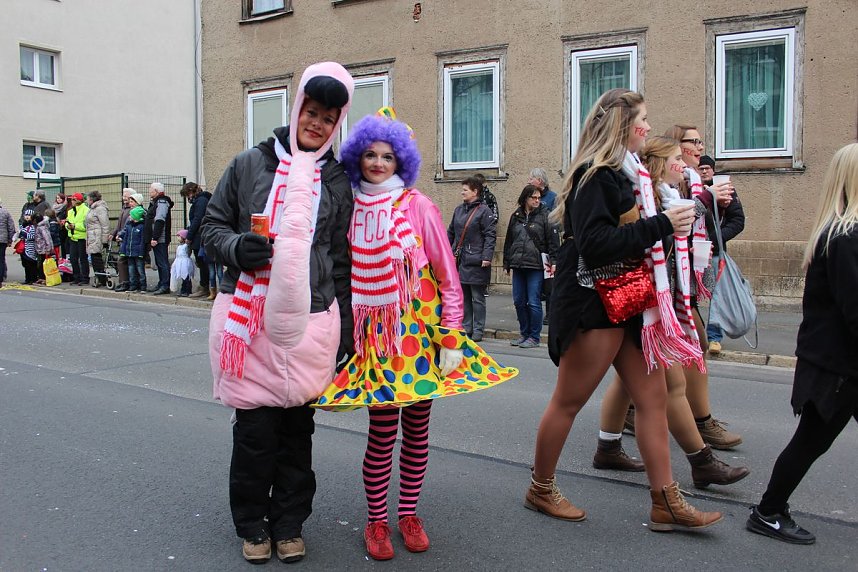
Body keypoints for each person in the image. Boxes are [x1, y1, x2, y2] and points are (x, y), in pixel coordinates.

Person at [313, 109, 517, 562]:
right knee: (382, 433)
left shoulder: (418, 205)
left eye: (387, 155)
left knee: (418, 431)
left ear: (400, 160)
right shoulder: (349, 206)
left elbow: (447, 276)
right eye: (370, 154)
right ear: (358, 157)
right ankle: (376, 522)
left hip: (419, 340)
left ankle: (408, 514)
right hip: (376, 341)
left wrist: (450, 336)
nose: (379, 163)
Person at [528, 89, 721, 531]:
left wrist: (670, 226)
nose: (650, 128)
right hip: (593, 303)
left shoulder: (631, 175)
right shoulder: (596, 176)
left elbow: (639, 241)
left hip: (632, 301)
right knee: (569, 401)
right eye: (643, 120)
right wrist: (661, 226)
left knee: (653, 399)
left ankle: (665, 502)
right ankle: (541, 488)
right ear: (621, 126)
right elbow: (594, 245)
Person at [203, 62, 356, 565]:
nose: (317, 124)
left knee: (297, 436)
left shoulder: (336, 179)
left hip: (312, 322)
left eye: (328, 118)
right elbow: (210, 228)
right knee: (255, 436)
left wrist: (347, 328)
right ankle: (252, 523)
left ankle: (289, 522)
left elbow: (340, 258)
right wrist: (235, 247)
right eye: (311, 112)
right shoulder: (249, 164)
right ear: (296, 109)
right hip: (248, 322)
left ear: (337, 123)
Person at [590, 137, 750, 489]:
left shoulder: (672, 195)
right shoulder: (650, 201)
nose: (686, 162)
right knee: (665, 386)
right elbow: (639, 246)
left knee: (632, 385)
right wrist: (698, 206)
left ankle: (609, 446)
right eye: (679, 155)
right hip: (650, 307)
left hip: (663, 304)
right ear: (660, 164)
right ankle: (697, 463)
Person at [746, 143, 858, 545]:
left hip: (839, 363)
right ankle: (768, 510)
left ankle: (770, 508)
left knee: (811, 443)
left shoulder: (841, 232)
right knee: (810, 443)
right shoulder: (845, 236)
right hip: (836, 368)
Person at [647, 124, 741, 450]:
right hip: (665, 288)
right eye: (692, 142)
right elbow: (671, 224)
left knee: (646, 368)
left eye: (701, 141)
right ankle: (701, 431)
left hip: (684, 279)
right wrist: (705, 198)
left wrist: (718, 201)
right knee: (690, 347)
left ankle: (614, 437)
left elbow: (719, 223)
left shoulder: (691, 180)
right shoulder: (664, 187)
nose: (699, 147)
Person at [697, 155, 746, 355]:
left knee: (717, 294)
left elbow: (737, 220)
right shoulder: (687, 187)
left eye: (707, 168)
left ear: (714, 170)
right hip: (689, 250)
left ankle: (714, 337)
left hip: (714, 252)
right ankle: (691, 332)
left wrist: (716, 238)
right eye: (701, 168)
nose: (704, 172)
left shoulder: (724, 188)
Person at [502, 184, 558, 348]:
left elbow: (553, 242)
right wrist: (507, 262)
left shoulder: (546, 215)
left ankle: (534, 336)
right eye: (533, 197)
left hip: (536, 265)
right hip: (518, 264)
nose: (537, 200)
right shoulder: (516, 216)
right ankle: (524, 333)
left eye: (539, 198)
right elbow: (509, 240)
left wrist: (554, 262)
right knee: (519, 301)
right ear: (525, 198)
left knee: (533, 301)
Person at [448, 176, 496, 342]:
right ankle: (466, 326)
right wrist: (447, 252)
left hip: (477, 260)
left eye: (465, 189)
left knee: (477, 297)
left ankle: (478, 329)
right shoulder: (458, 210)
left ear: (475, 191)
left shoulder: (484, 211)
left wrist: (486, 257)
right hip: (461, 259)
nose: (462, 192)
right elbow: (451, 233)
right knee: (464, 296)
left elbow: (490, 235)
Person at [181, 182, 212, 298]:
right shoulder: (201, 200)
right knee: (202, 262)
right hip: (200, 235)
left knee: (202, 262)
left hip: (200, 236)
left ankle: (205, 287)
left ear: (191, 191)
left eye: (187, 194)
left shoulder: (201, 201)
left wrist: (189, 236)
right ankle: (204, 286)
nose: (188, 197)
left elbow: (197, 219)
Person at [144, 182, 174, 295]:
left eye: (151, 189)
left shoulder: (161, 202)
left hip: (160, 238)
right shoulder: (156, 202)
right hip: (157, 238)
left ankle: (165, 285)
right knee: (159, 262)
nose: (149, 191)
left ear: (156, 191)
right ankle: (161, 283)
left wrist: (155, 237)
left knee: (162, 262)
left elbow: (160, 220)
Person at [110, 188, 134, 292]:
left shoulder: (132, 210)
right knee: (123, 261)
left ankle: (125, 282)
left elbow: (126, 226)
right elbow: (119, 224)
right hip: (122, 238)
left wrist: (120, 235)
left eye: (126, 196)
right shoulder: (124, 209)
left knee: (122, 261)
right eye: (123, 196)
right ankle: (123, 281)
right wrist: (113, 233)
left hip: (127, 239)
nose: (124, 198)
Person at [85, 191, 111, 288]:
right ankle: (99, 277)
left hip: (97, 236)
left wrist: (104, 240)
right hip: (92, 235)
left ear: (92, 199)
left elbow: (105, 225)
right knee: (94, 258)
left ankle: (102, 278)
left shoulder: (100, 209)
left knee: (97, 258)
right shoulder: (92, 209)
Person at [119, 206, 148, 293]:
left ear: (136, 217)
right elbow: (125, 239)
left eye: (131, 215)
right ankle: (133, 285)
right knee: (131, 269)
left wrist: (141, 252)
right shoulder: (129, 226)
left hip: (138, 252)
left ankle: (142, 286)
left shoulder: (142, 227)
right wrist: (123, 251)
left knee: (140, 269)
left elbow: (142, 241)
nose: (129, 217)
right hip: (129, 251)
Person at [64, 193, 89, 286]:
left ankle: (85, 278)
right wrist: (68, 226)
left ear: (79, 200)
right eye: (71, 200)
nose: (72, 201)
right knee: (73, 259)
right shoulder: (70, 211)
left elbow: (86, 225)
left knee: (83, 259)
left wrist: (75, 226)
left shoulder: (86, 210)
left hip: (82, 238)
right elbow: (67, 222)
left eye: (74, 200)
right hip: (72, 237)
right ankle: (76, 277)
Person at [170, 229, 195, 296]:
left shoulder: (186, 246)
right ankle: (183, 290)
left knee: (186, 277)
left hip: (185, 262)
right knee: (183, 277)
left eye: (179, 236)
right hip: (179, 262)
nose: (178, 238)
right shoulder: (180, 246)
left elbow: (188, 253)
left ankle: (187, 290)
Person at [16, 212, 38, 284]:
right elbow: (20, 235)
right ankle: (27, 279)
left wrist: (23, 234)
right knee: (25, 264)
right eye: (26, 215)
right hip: (24, 247)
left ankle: (33, 279)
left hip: (31, 247)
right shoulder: (23, 225)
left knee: (31, 264)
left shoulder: (33, 226)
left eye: (29, 215)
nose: (27, 217)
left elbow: (33, 236)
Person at [0, 198, 17, 288]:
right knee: (1, 258)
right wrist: (10, 239)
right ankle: (1, 277)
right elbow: (11, 227)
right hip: (2, 239)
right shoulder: (5, 212)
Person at [33, 212, 53, 284]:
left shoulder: (41, 227)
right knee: (41, 264)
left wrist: (48, 249)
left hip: (44, 249)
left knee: (45, 265)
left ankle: (45, 278)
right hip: (40, 248)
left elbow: (47, 238)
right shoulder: (40, 226)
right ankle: (41, 277)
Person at [52, 193, 69, 258]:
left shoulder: (65, 207)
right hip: (56, 226)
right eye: (57, 198)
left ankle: (64, 256)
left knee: (64, 242)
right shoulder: (54, 207)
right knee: (59, 243)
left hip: (63, 227)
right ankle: (60, 256)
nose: (58, 199)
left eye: (60, 198)